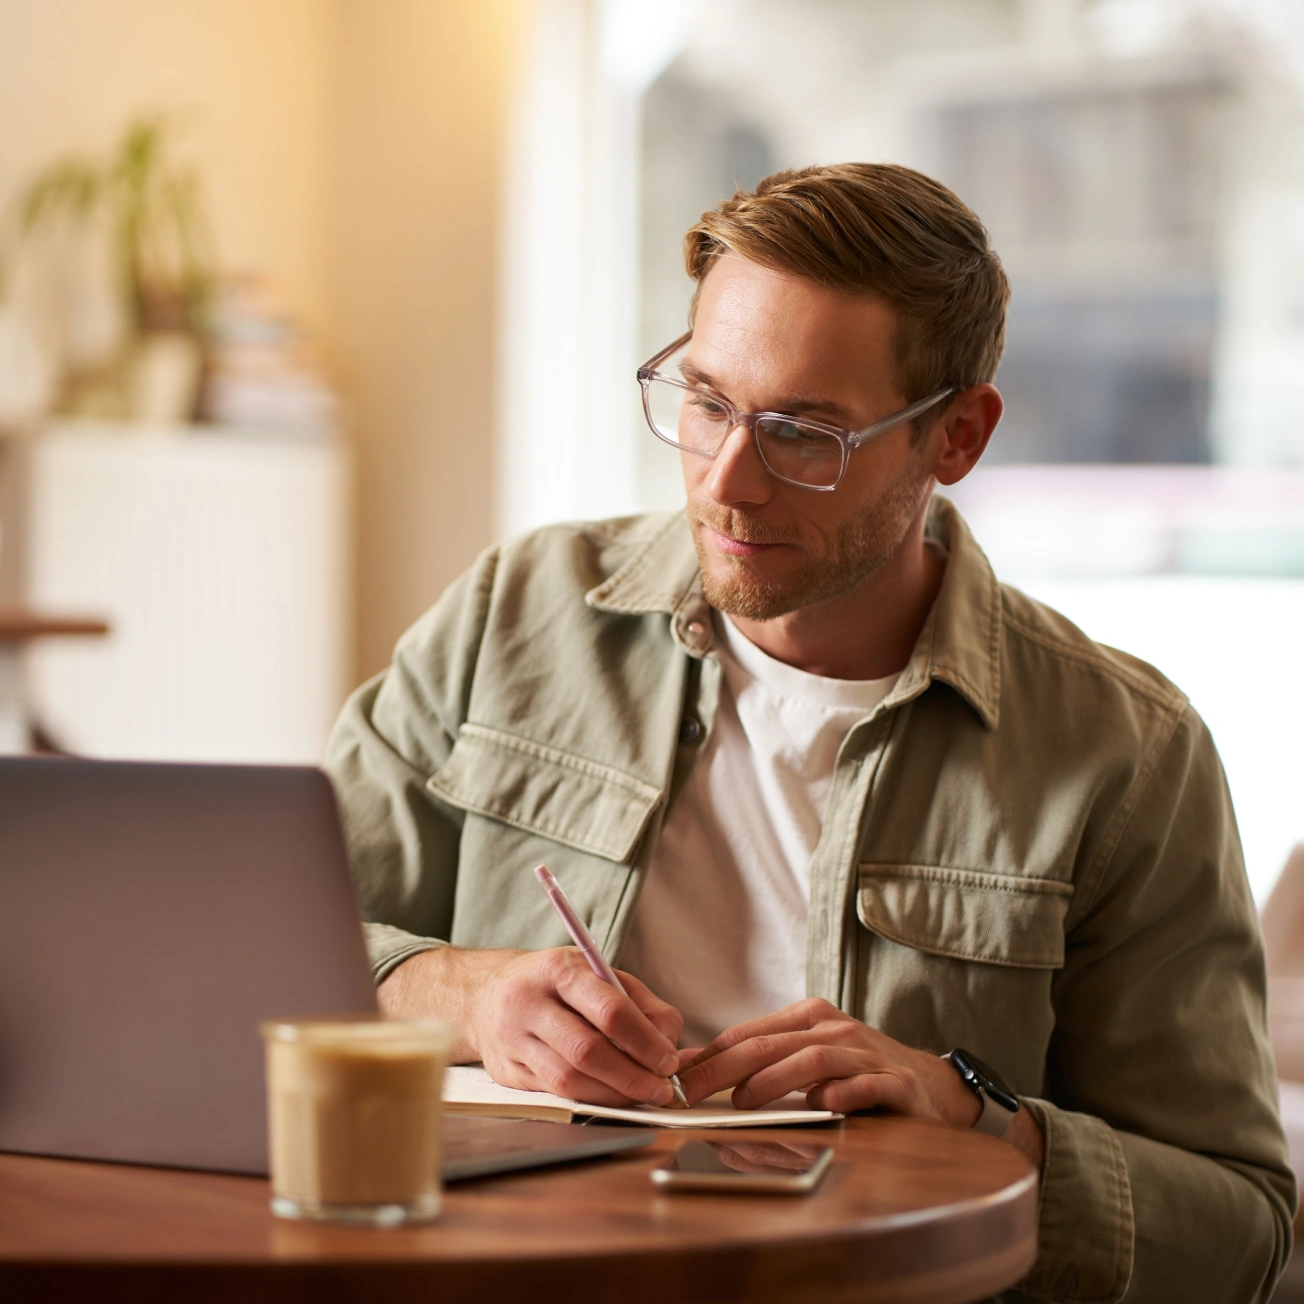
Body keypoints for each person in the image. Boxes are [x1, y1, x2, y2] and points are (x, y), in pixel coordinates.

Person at [325, 163, 1293, 1301]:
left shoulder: (1125, 754)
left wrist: (973, 1115)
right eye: (704, 400)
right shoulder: (516, 611)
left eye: (801, 432)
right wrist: (468, 997)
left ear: (956, 438)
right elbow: (268, 949)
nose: (727, 481)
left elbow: (1240, 1230)